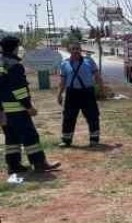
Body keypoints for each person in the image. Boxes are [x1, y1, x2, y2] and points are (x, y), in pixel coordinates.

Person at [0, 36, 61, 173]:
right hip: (17, 110)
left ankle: (14, 165)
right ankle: (39, 163)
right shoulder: (14, 65)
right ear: (15, 48)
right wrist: (29, 107)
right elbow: (19, 90)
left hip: (4, 111)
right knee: (30, 136)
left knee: (12, 138)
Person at [57, 42, 104, 147]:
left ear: (80, 50)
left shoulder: (89, 61)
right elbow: (62, 81)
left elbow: (97, 76)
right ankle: (66, 140)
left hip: (87, 93)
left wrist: (101, 88)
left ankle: (94, 140)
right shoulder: (64, 63)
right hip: (71, 93)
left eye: (78, 48)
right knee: (68, 117)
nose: (76, 51)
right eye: (73, 48)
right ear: (69, 50)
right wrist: (59, 94)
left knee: (93, 116)